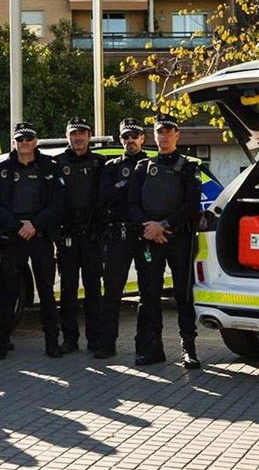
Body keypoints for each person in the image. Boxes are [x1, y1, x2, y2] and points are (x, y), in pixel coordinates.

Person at [129, 115, 202, 369]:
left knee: (183, 295)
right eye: (160, 131)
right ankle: (152, 349)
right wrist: (149, 228)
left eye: (169, 131)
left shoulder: (189, 167)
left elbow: (191, 206)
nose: (164, 135)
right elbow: (133, 204)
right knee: (149, 295)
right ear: (154, 135)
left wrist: (165, 225)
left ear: (177, 135)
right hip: (149, 237)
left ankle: (188, 349)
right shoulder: (143, 167)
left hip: (177, 239)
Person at [0, 122, 65, 360]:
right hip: (13, 238)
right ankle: (1, 343)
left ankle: (52, 342)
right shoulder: (1, 170)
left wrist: (35, 225)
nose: (24, 143)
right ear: (14, 142)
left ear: (36, 141)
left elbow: (59, 204)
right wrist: (17, 226)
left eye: (28, 139)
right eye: (20, 139)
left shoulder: (49, 168)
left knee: (46, 292)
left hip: (40, 237)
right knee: (8, 291)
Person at [55, 117, 108, 355]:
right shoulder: (57, 163)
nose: (78, 137)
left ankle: (95, 339)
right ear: (67, 136)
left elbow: (105, 200)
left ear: (89, 136)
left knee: (93, 290)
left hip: (92, 237)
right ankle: (69, 339)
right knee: (67, 289)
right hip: (67, 236)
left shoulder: (100, 163)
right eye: (73, 133)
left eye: (82, 133)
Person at [96, 118, 148, 360]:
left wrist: (122, 187)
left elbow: (152, 197)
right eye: (126, 136)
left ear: (142, 139)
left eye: (134, 136)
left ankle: (145, 346)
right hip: (118, 233)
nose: (130, 140)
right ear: (121, 140)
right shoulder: (111, 166)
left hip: (144, 234)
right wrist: (124, 187)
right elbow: (105, 195)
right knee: (112, 292)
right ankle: (107, 344)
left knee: (148, 293)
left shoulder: (152, 166)